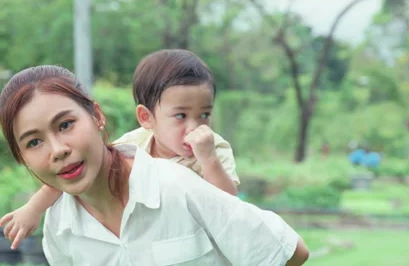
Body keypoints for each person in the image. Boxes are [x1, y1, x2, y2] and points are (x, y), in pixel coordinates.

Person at [0, 65, 309, 265]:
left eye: (66, 124)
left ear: (96, 116)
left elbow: (289, 254)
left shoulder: (176, 184)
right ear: (22, 157)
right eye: (34, 142)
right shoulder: (60, 225)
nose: (58, 150)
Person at [1, 49, 240, 249]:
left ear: (97, 117)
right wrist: (33, 209)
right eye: (180, 116)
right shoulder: (134, 144)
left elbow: (230, 208)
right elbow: (74, 169)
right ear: (147, 118)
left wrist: (209, 161)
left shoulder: (214, 148)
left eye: (204, 114)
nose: (193, 127)